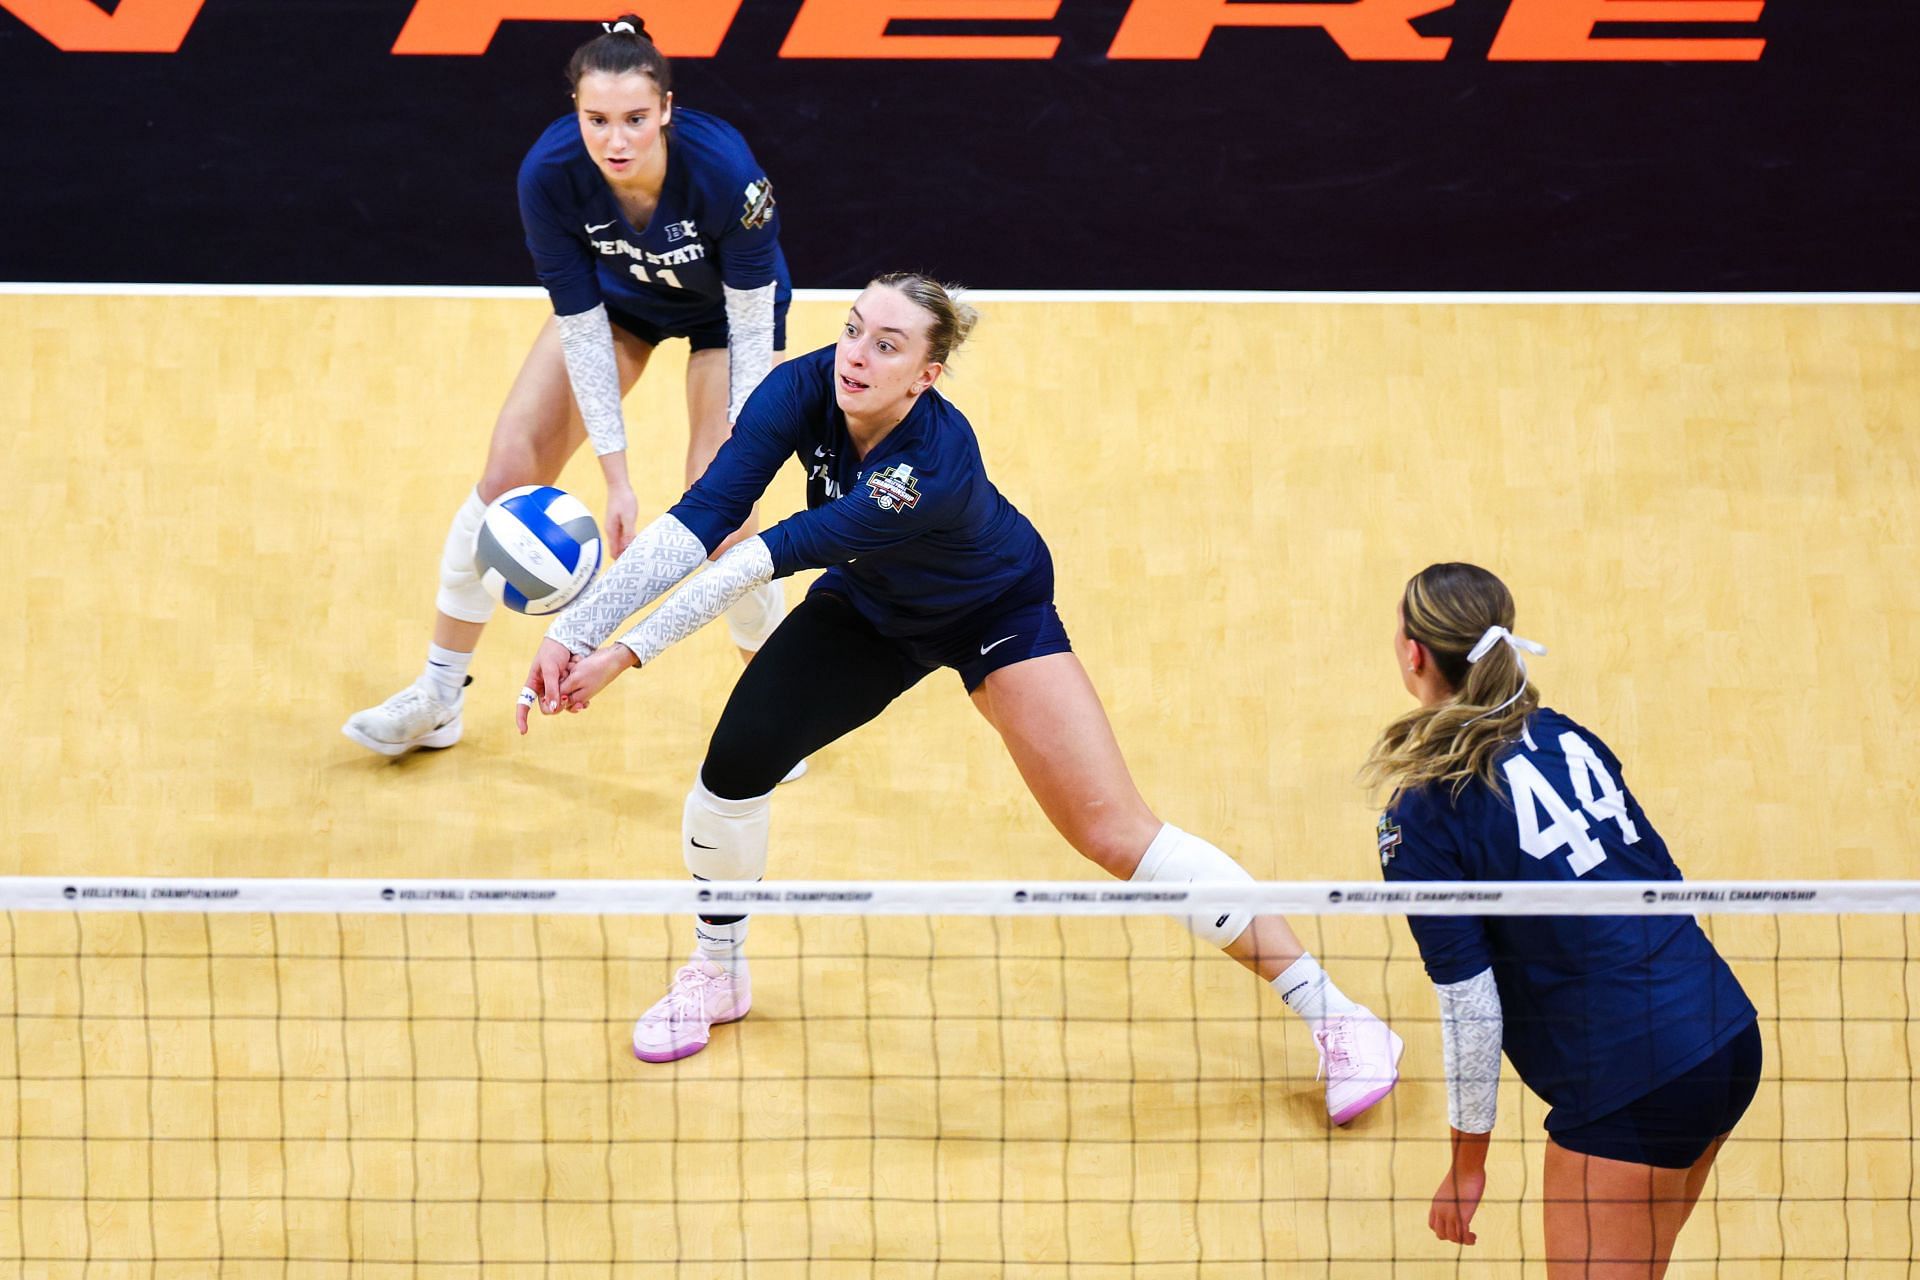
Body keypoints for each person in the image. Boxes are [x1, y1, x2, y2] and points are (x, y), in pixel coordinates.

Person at [516, 273, 1404, 1122]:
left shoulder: (926, 468)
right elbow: (706, 513)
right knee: (732, 771)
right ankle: (719, 971)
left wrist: (624, 651)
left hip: (990, 609)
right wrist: (574, 631)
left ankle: (1340, 1021)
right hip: (872, 604)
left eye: (888, 344)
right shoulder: (804, 388)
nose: (856, 353)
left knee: (1115, 833)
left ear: (925, 377)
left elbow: (762, 557)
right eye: (854, 327)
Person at [344, 13, 795, 760]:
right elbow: (582, 329)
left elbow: (751, 334)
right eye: (596, 120)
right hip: (617, 308)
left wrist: (735, 471)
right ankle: (438, 692)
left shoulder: (728, 175)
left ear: (668, 112)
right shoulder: (550, 175)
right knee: (506, 473)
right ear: (575, 114)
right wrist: (615, 481)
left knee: (726, 518)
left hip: (726, 319)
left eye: (636, 120)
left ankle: (778, 713)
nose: (616, 141)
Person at [1364, 563, 1760, 1275]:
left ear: (1413, 652)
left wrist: (1467, 1164)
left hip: (1633, 1083)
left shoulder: (1421, 815)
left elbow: (1470, 1006)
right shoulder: (1566, 736)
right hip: (1723, 1033)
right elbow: (1664, 885)